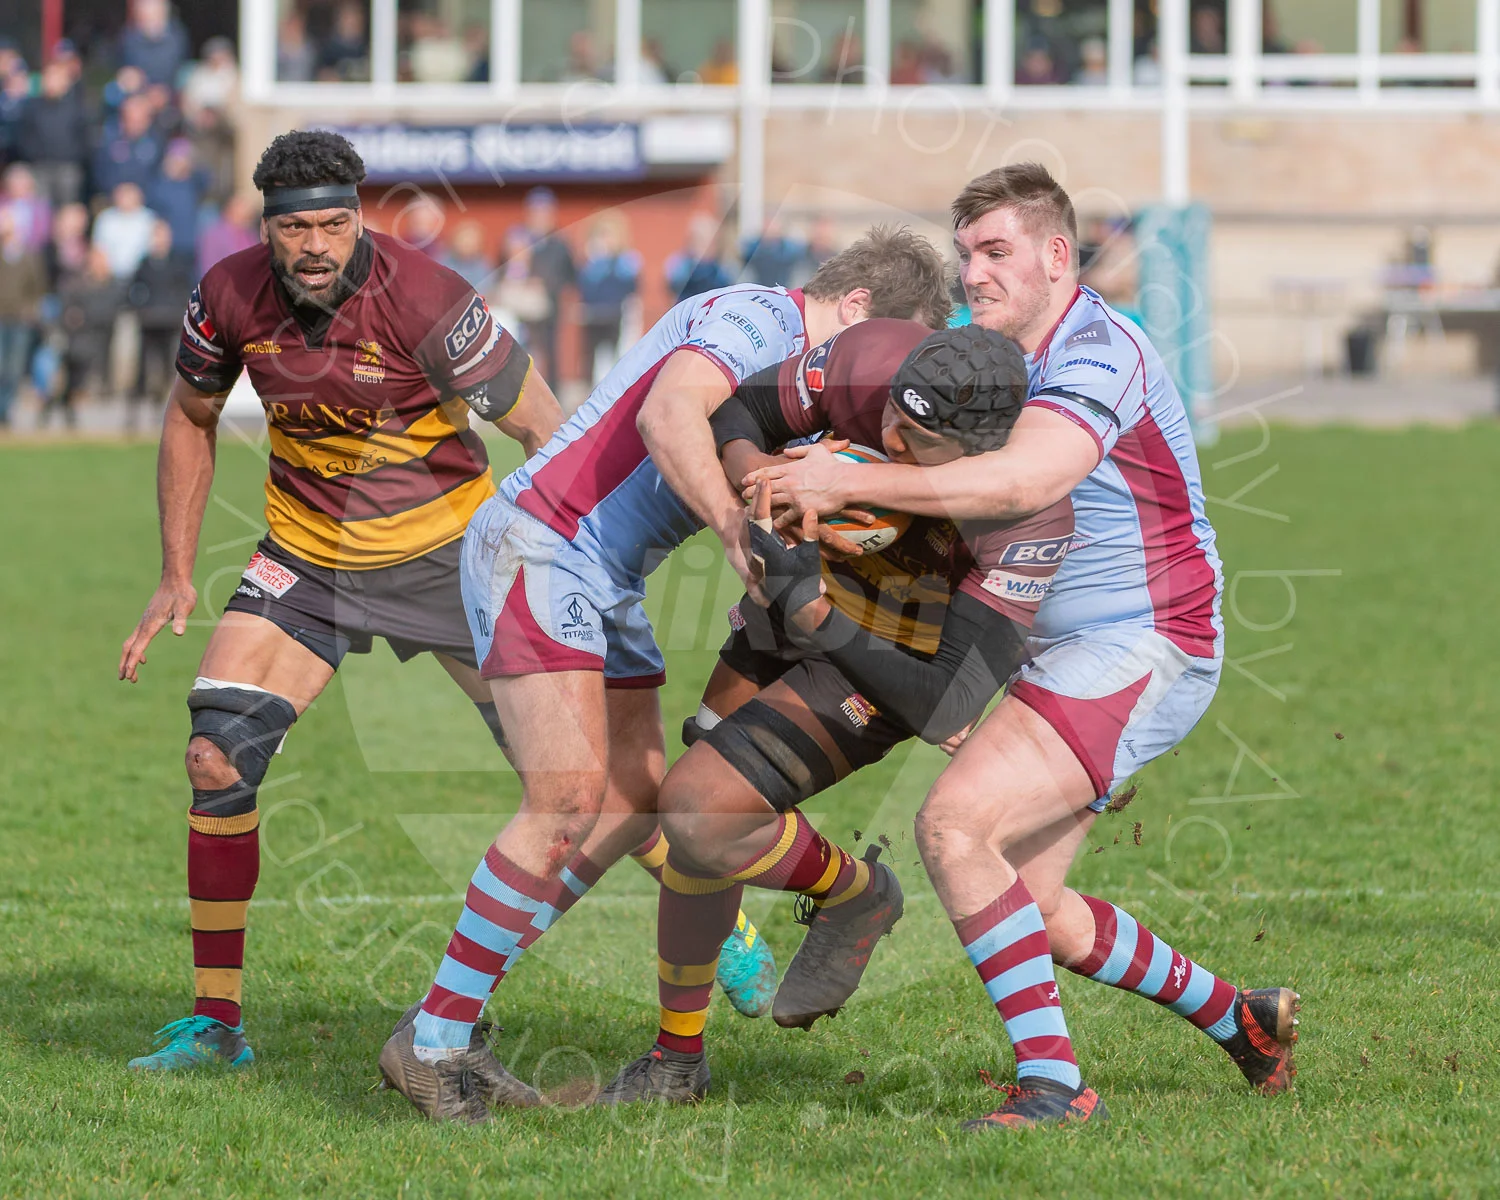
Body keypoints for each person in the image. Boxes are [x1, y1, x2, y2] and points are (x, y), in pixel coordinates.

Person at [747, 163, 1299, 1129]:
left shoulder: (1098, 349)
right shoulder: (979, 354)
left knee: (954, 828)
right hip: (1047, 648)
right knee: (1029, 906)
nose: (975, 274)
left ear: (1057, 256)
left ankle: (1053, 1087)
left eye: (996, 252)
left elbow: (1021, 480)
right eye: (964, 254)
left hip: (1145, 640)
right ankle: (1241, 1019)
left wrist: (850, 490)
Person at [377, 226, 955, 1123]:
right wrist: (734, 530)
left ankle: (453, 1019)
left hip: (604, 575)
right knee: (564, 802)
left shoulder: (791, 374)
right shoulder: (754, 318)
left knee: (635, 807)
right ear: (857, 314)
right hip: (545, 546)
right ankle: (434, 1043)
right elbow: (666, 414)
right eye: (889, 359)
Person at [115, 129, 565, 1072]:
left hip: (451, 562)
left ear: (359, 217)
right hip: (307, 563)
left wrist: (568, 565)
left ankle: (723, 932)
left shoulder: (429, 299)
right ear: (266, 228)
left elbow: (546, 428)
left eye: (333, 223)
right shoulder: (227, 294)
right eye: (295, 228)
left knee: (575, 783)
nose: (316, 244)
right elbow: (191, 417)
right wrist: (174, 570)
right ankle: (217, 1025)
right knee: (212, 756)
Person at [597, 318, 1073, 1104]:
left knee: (698, 811)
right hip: (791, 595)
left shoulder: (1026, 516)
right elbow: (737, 416)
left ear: (979, 459)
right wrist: (768, 479)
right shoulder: (866, 361)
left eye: (916, 437)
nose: (887, 432)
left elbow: (943, 704)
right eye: (892, 412)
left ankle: (856, 893)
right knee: (701, 826)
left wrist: (817, 615)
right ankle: (678, 1059)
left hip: (886, 659)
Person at [126, 218, 193, 432]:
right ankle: (133, 415)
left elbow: (186, 289)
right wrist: (140, 307)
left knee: (169, 369)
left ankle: (165, 412)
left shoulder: (177, 262)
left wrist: (179, 309)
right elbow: (132, 289)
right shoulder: (145, 262)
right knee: (143, 369)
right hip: (148, 322)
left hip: (170, 322)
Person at [52, 245, 124, 428]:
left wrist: (87, 316)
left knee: (93, 379)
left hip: (103, 340)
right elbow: (68, 311)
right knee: (73, 378)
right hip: (79, 340)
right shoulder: (78, 284)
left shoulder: (113, 286)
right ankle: (65, 408)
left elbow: (109, 311)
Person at [516, 187, 574, 385]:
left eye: (545, 212)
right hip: (521, 308)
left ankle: (553, 396)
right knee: (521, 352)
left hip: (550, 307)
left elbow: (570, 276)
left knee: (551, 353)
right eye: (536, 212)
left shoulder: (560, 244)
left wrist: (548, 285)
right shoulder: (517, 240)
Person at [575, 211, 640, 386]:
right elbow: (586, 288)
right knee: (596, 366)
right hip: (595, 320)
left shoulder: (626, 261)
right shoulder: (591, 263)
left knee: (618, 363)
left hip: (617, 320)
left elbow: (629, 287)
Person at [15, 62, 88, 208]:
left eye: (57, 77)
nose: (51, 81)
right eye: (48, 77)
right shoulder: (31, 106)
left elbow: (85, 139)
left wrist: (73, 156)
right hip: (39, 168)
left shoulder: (77, 107)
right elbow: (23, 136)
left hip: (68, 168)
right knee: (41, 212)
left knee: (67, 211)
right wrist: (34, 156)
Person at [0, 208, 46, 426]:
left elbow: (38, 288)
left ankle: (5, 409)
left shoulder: (29, 258)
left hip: (18, 319)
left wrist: (30, 308)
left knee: (14, 367)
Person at [94, 94, 166, 196]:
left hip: (147, 200)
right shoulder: (108, 140)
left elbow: (158, 175)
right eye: (131, 120)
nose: (135, 125)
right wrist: (119, 192)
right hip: (113, 199)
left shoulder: (157, 141)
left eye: (140, 121)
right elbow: (100, 173)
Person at [146, 139, 206, 259]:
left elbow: (206, 178)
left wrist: (191, 167)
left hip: (191, 243)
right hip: (169, 245)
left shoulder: (192, 182)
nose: (178, 164)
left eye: (182, 160)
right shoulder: (159, 184)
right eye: (175, 160)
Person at [92, 182, 159, 280]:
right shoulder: (105, 219)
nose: (126, 199)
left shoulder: (149, 219)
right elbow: (98, 250)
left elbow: (156, 249)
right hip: (111, 276)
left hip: (143, 275)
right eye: (123, 195)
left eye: (130, 195)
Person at [119, 0, 190, 87]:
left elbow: (181, 68)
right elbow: (125, 67)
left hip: (170, 91)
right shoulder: (129, 36)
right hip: (140, 91)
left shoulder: (177, 36)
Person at [666, 213, 735, 301]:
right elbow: (674, 284)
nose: (706, 245)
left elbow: (728, 285)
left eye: (711, 241)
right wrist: (695, 263)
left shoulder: (722, 264)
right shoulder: (681, 261)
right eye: (699, 239)